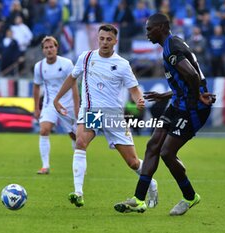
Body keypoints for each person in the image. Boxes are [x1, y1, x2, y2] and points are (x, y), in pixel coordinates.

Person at [114, 13, 215, 216]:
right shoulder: (170, 45)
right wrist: (166, 95)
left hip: (192, 108)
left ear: (160, 27)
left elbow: (193, 75)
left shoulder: (171, 49)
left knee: (167, 153)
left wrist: (195, 99)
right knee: (153, 145)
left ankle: (189, 197)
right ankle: (139, 199)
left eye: (149, 29)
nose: (147, 33)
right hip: (178, 103)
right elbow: (187, 80)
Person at [53, 24, 158, 208]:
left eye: (108, 39)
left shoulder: (123, 65)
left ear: (115, 41)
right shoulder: (86, 58)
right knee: (80, 142)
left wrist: (139, 100)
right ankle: (78, 192)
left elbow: (134, 89)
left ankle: (151, 182)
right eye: (101, 38)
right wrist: (57, 98)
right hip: (91, 112)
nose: (104, 42)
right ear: (97, 39)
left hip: (112, 115)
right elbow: (72, 77)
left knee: (133, 162)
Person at [33, 36, 79, 175]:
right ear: (43, 50)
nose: (49, 50)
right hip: (50, 103)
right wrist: (36, 107)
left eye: (51, 47)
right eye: (46, 48)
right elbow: (36, 87)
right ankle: (45, 166)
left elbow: (74, 86)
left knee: (74, 136)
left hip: (67, 104)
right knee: (44, 130)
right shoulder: (39, 67)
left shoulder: (66, 64)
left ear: (56, 48)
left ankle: (79, 164)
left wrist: (77, 106)